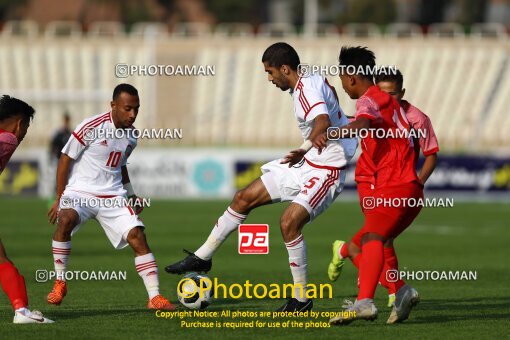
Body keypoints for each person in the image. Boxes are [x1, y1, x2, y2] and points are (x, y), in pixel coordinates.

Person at [165, 42, 357, 312]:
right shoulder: (310, 80)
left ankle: (301, 299)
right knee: (243, 198)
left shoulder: (306, 90)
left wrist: (302, 149)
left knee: (288, 224)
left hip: (327, 169)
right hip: (309, 162)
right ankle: (202, 257)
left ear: (285, 68)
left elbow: (322, 122)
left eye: (270, 72)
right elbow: (332, 100)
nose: (269, 78)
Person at [316, 46, 423, 325]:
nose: (343, 85)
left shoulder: (368, 100)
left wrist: (333, 133)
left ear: (351, 77)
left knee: (371, 239)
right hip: (411, 190)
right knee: (360, 244)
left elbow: (363, 121)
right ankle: (399, 290)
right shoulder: (387, 101)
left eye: (342, 79)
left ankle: (364, 302)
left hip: (392, 186)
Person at [46, 84, 174, 310]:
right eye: (127, 108)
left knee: (137, 235)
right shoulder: (91, 126)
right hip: (80, 192)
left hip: (113, 195)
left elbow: (121, 165)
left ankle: (154, 297)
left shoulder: (132, 135)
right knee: (64, 221)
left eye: (136, 109)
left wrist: (132, 195)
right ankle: (60, 282)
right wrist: (60, 197)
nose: (133, 114)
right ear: (113, 105)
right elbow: (65, 157)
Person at [328, 68, 440, 309]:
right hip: (369, 179)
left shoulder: (417, 118)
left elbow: (431, 153)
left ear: (403, 92)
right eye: (385, 92)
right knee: (377, 238)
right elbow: (357, 121)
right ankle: (392, 290)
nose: (390, 98)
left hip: (396, 184)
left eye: (395, 93)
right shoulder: (371, 106)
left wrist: (418, 181)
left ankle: (348, 254)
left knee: (378, 238)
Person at [0, 95, 53, 323]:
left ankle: (22, 310)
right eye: (26, 127)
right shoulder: (9, 139)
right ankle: (21, 311)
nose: (24, 134)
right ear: (20, 123)